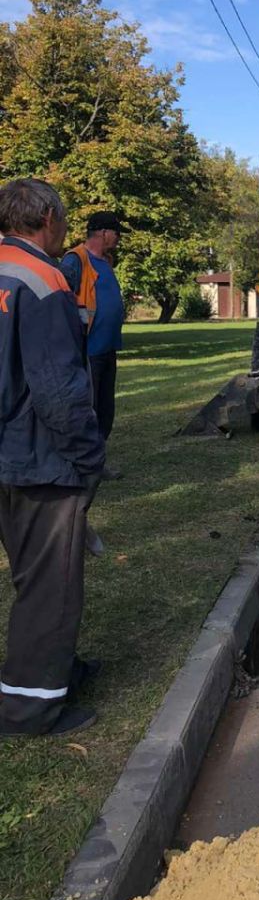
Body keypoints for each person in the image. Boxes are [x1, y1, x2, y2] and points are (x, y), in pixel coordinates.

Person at [0, 178, 105, 736]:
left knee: (29, 571)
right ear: (46, 217)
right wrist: (89, 456)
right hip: (38, 458)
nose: (67, 228)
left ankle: (55, 669)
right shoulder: (44, 281)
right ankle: (30, 707)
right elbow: (58, 391)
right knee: (51, 585)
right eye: (64, 218)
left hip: (6, 457)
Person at [61, 211, 126, 478]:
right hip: (88, 351)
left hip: (107, 349)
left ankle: (96, 464)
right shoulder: (75, 260)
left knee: (105, 410)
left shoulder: (106, 261)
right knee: (88, 412)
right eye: (116, 233)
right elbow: (63, 303)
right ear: (103, 233)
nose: (119, 238)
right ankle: (82, 466)